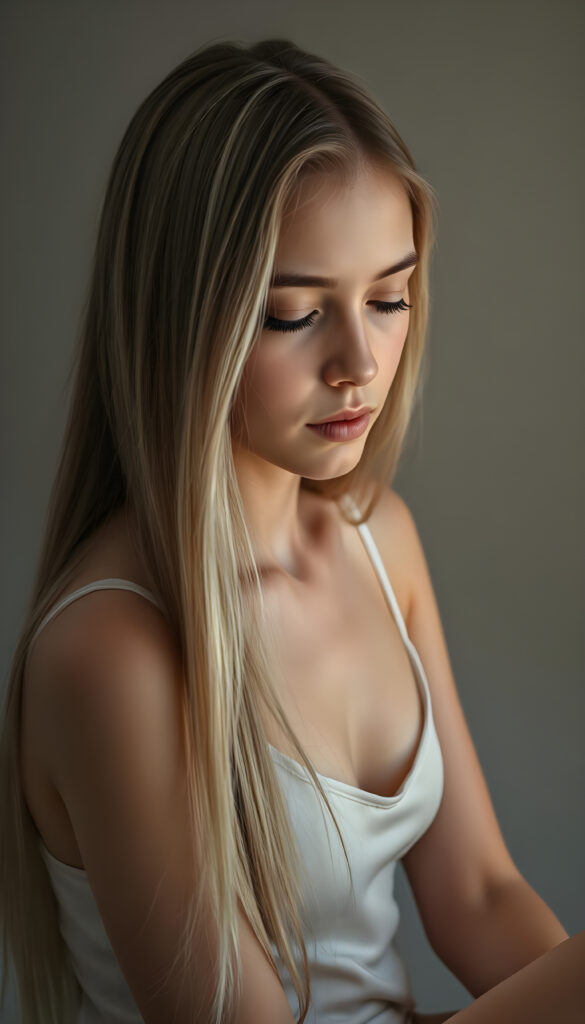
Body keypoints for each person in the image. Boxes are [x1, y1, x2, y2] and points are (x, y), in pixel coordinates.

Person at [0, 36, 583, 1024]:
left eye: (390, 297)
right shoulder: (112, 653)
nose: (361, 358)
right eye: (293, 313)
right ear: (188, 317)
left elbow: (479, 896)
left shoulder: (377, 538)